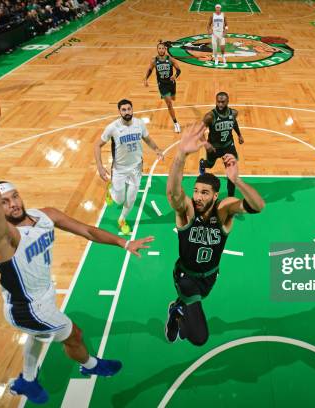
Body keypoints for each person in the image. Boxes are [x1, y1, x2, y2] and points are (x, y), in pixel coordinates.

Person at [0, 135, 154, 404]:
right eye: (4, 202)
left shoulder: (45, 215)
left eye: (14, 196)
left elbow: (87, 230)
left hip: (41, 295)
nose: (13, 204)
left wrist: (124, 243)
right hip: (27, 308)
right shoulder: (4, 239)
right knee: (73, 334)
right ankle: (90, 365)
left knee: (40, 335)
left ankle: (27, 381)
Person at [165, 122, 265, 345]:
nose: (198, 197)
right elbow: (173, 194)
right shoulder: (188, 210)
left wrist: (237, 180)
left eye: (204, 193)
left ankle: (178, 309)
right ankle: (178, 313)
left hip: (210, 276)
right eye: (196, 191)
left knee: (193, 305)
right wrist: (181, 154)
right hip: (186, 276)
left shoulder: (223, 210)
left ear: (215, 195)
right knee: (199, 338)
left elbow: (258, 206)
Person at [94, 99, 164, 235]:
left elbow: (147, 139)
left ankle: (122, 219)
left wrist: (157, 149)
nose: (127, 112)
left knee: (131, 199)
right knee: (119, 200)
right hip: (119, 170)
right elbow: (97, 145)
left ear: (132, 109)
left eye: (129, 109)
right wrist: (100, 167)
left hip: (136, 168)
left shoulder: (140, 124)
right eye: (124, 110)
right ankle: (111, 190)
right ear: (119, 111)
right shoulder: (112, 127)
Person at [199, 92, 244, 197]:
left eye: (223, 102)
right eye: (218, 102)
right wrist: (206, 144)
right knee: (209, 165)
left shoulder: (233, 113)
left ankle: (230, 198)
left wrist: (239, 135)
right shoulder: (210, 116)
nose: (220, 104)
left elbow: (234, 122)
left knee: (232, 174)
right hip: (214, 148)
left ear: (228, 101)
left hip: (228, 146)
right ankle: (202, 163)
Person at [144, 41, 182, 133]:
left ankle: (172, 98)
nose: (161, 50)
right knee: (169, 103)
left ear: (165, 49)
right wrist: (145, 79)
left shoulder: (171, 59)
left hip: (171, 83)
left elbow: (179, 70)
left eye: (162, 48)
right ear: (157, 50)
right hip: (162, 85)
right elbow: (149, 70)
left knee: (173, 98)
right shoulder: (154, 60)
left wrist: (175, 76)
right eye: (159, 48)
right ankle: (176, 123)